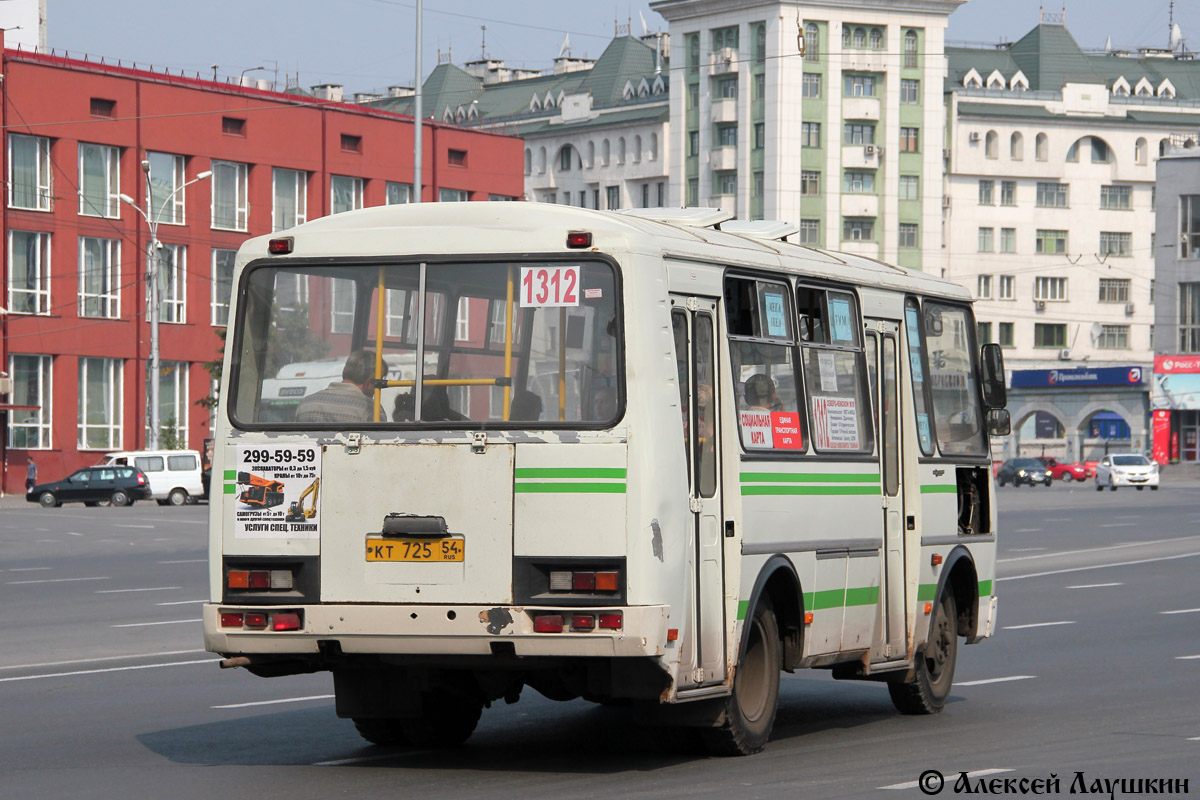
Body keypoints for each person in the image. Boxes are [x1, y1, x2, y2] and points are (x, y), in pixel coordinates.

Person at [295, 349, 381, 424]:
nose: (379, 388)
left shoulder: (306, 404)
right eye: (379, 381)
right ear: (370, 382)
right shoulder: (372, 409)